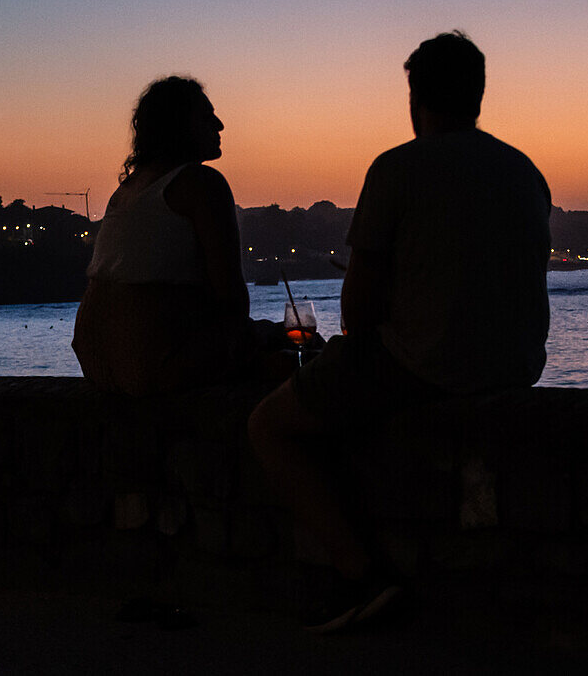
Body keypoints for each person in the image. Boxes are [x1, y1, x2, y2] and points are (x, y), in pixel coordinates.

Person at [248, 31, 551, 633]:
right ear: (478, 97)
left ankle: (362, 577)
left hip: (426, 365)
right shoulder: (525, 171)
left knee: (268, 425)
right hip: (518, 365)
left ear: (415, 99)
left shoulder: (397, 167)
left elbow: (357, 318)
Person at [73, 76, 263, 396]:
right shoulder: (200, 183)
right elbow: (232, 300)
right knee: (290, 350)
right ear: (177, 126)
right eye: (206, 116)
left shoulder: (126, 190)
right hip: (154, 364)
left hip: (97, 364)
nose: (220, 125)